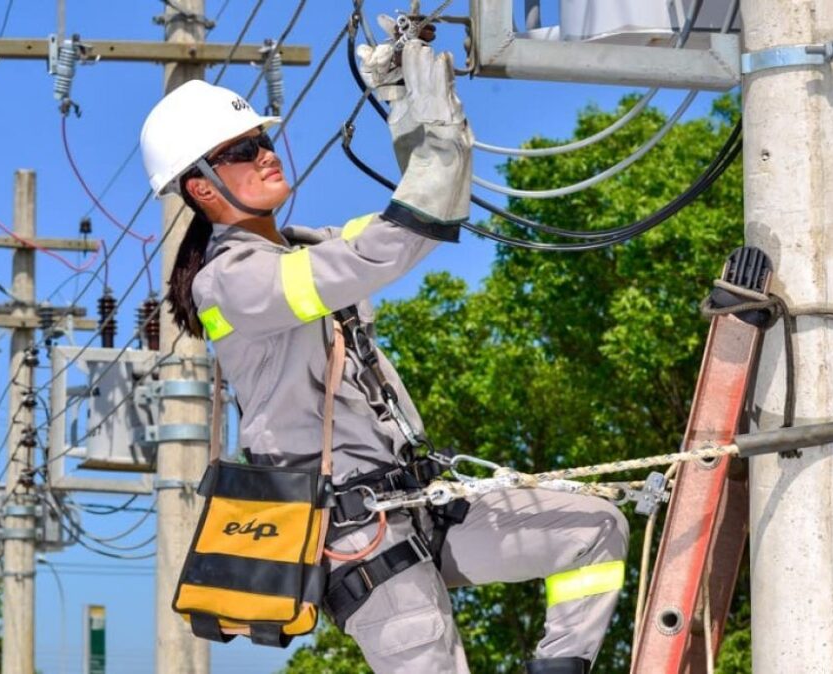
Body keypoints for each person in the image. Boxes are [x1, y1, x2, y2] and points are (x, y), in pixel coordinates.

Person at [140, 36, 628, 674]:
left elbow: (421, 216)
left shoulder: (306, 248)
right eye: (240, 150)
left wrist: (410, 109)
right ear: (201, 189)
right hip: (358, 537)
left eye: (261, 139)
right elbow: (389, 245)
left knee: (592, 529)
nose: (264, 154)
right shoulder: (230, 282)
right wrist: (432, 136)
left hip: (422, 503)